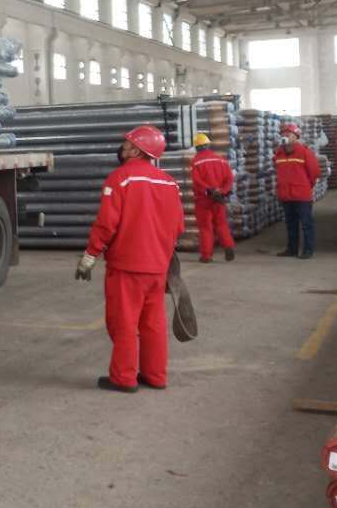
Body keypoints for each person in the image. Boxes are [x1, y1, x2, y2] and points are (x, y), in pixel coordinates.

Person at [76, 125, 187, 393]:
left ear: (138, 150)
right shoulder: (169, 183)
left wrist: (90, 255)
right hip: (157, 267)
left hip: (127, 266)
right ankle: (155, 376)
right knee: (153, 324)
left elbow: (107, 224)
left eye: (127, 145)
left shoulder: (120, 179)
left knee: (124, 323)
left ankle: (123, 378)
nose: (122, 149)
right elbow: (178, 227)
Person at [274, 121, 320, 258]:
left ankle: (308, 250)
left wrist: (306, 186)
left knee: (306, 224)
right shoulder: (279, 153)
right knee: (290, 224)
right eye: (283, 134)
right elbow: (277, 171)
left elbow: (314, 172)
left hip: (301, 195)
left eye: (288, 134)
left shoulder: (304, 152)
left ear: (296, 136)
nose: (285, 136)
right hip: (286, 195)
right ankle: (292, 249)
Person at [189, 132, 236, 264]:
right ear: (208, 145)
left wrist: (209, 190)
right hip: (219, 198)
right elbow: (229, 178)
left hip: (203, 199)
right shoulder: (221, 159)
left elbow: (197, 181)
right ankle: (228, 245)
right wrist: (222, 191)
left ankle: (206, 255)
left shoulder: (196, 161)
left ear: (196, 147)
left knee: (205, 227)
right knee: (221, 224)